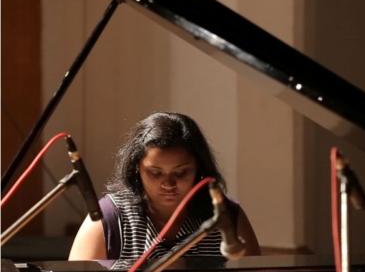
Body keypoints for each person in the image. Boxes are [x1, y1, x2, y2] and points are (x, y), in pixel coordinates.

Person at [69, 112, 260, 261]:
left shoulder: (225, 216)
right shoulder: (110, 216)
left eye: (180, 172)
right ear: (137, 169)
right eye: (155, 172)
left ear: (199, 168)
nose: (168, 184)